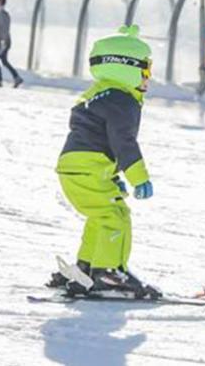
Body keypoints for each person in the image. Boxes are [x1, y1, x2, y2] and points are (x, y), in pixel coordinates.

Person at [48, 24, 160, 299]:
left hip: (76, 167)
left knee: (101, 215)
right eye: (145, 69)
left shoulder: (98, 94)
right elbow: (123, 143)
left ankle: (86, 269)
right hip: (87, 168)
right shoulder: (123, 100)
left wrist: (110, 177)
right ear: (126, 67)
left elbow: (97, 140)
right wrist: (139, 178)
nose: (148, 77)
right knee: (115, 216)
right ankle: (109, 272)